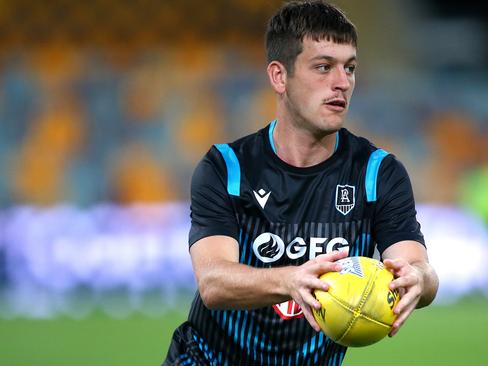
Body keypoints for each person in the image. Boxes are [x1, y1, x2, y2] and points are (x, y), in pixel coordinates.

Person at [163, 1, 438, 364]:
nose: (342, 82)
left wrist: (419, 280)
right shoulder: (226, 168)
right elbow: (213, 282)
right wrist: (291, 280)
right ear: (279, 76)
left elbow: (418, 267)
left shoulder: (377, 173)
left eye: (350, 68)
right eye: (323, 67)